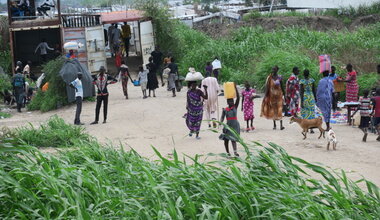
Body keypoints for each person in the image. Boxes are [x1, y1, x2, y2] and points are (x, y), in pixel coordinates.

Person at [260, 66, 285, 130]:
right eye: (273, 69)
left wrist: (285, 94)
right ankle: (274, 125)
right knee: (273, 110)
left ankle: (281, 125)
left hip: (279, 96)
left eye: (274, 69)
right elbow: (267, 87)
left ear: (277, 70)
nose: (273, 70)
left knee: (280, 109)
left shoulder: (280, 77)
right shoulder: (269, 77)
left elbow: (282, 86)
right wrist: (265, 95)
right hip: (272, 96)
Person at [220, 83, 240, 157]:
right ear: (227, 102)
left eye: (232, 101)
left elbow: (238, 98)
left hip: (235, 125)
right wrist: (220, 122)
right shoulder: (225, 109)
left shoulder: (235, 107)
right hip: (228, 126)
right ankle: (228, 153)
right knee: (226, 140)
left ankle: (235, 152)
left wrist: (235, 88)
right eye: (230, 101)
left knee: (233, 139)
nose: (231, 102)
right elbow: (222, 117)